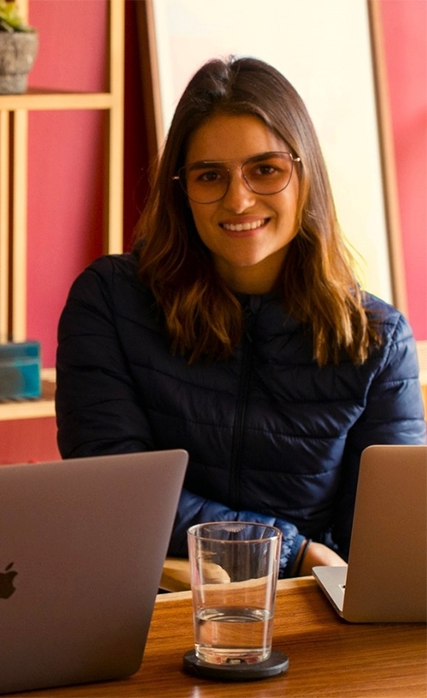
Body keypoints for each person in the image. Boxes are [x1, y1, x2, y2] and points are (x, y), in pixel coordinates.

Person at [56, 56, 425, 579]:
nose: (238, 198)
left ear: (305, 174)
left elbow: (388, 544)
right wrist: (287, 551)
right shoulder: (110, 302)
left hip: (312, 618)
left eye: (265, 170)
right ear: (182, 190)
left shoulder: (378, 340)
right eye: (210, 176)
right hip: (148, 607)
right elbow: (116, 488)